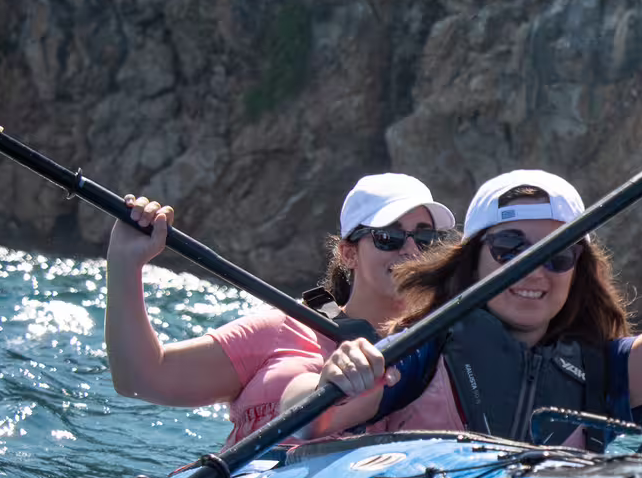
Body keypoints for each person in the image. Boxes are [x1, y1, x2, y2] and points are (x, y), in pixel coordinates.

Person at [285, 125, 642, 447]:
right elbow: (304, 422)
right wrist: (333, 378)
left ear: (577, 270)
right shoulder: (424, 352)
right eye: (509, 247)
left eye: (556, 254)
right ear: (475, 261)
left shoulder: (606, 372)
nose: (533, 270)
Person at [103, 173, 455, 442]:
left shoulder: (455, 346)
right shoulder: (283, 330)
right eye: (388, 237)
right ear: (348, 253)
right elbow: (143, 378)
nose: (411, 251)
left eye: (424, 238)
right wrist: (124, 263)